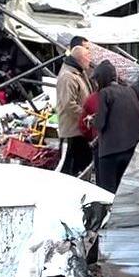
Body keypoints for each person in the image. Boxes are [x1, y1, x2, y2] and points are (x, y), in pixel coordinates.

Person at [87, 61, 139, 193]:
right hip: (130, 149)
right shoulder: (129, 90)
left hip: (110, 152)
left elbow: (100, 123)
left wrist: (92, 120)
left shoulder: (105, 93)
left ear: (102, 78)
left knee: (107, 193)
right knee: (123, 191)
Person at [55, 36, 94, 177]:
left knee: (82, 168)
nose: (90, 60)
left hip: (81, 131)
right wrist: (86, 116)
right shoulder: (68, 76)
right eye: (88, 55)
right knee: (66, 169)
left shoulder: (79, 73)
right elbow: (68, 104)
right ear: (80, 59)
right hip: (71, 132)